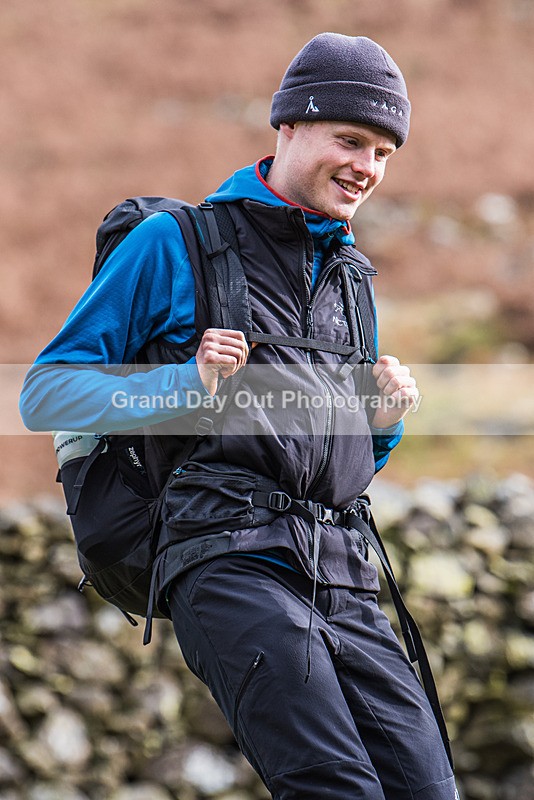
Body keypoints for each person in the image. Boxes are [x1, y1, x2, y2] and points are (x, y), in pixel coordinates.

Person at [20, 32, 459, 800]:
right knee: (337, 790)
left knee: (429, 791)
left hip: (342, 571)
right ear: (288, 124)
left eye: (384, 152)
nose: (367, 166)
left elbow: (336, 465)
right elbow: (45, 393)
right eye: (350, 140)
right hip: (226, 557)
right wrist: (186, 384)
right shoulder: (173, 243)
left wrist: (383, 421)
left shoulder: (351, 279)